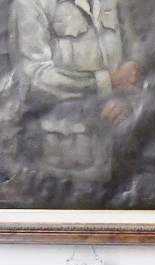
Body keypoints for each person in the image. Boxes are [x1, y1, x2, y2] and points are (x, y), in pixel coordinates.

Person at [8, 0, 143, 208]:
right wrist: (106, 82)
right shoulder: (30, 4)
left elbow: (134, 69)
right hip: (59, 170)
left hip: (117, 163)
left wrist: (127, 103)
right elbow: (33, 79)